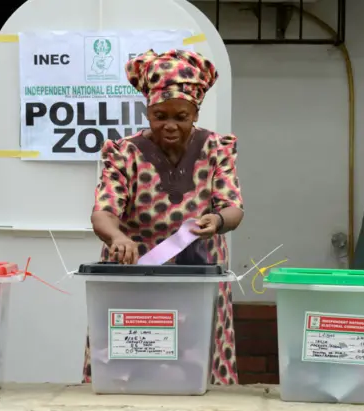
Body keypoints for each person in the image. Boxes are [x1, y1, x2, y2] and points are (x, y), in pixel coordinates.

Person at [83, 49, 244, 385]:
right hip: (137, 274)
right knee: (134, 356)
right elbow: (104, 211)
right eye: (160, 116)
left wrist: (217, 221)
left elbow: (232, 207)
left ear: (195, 112)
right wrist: (118, 238)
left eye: (181, 117)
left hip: (198, 274)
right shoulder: (124, 152)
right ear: (148, 111)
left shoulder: (217, 149)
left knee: (195, 363)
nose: (170, 126)